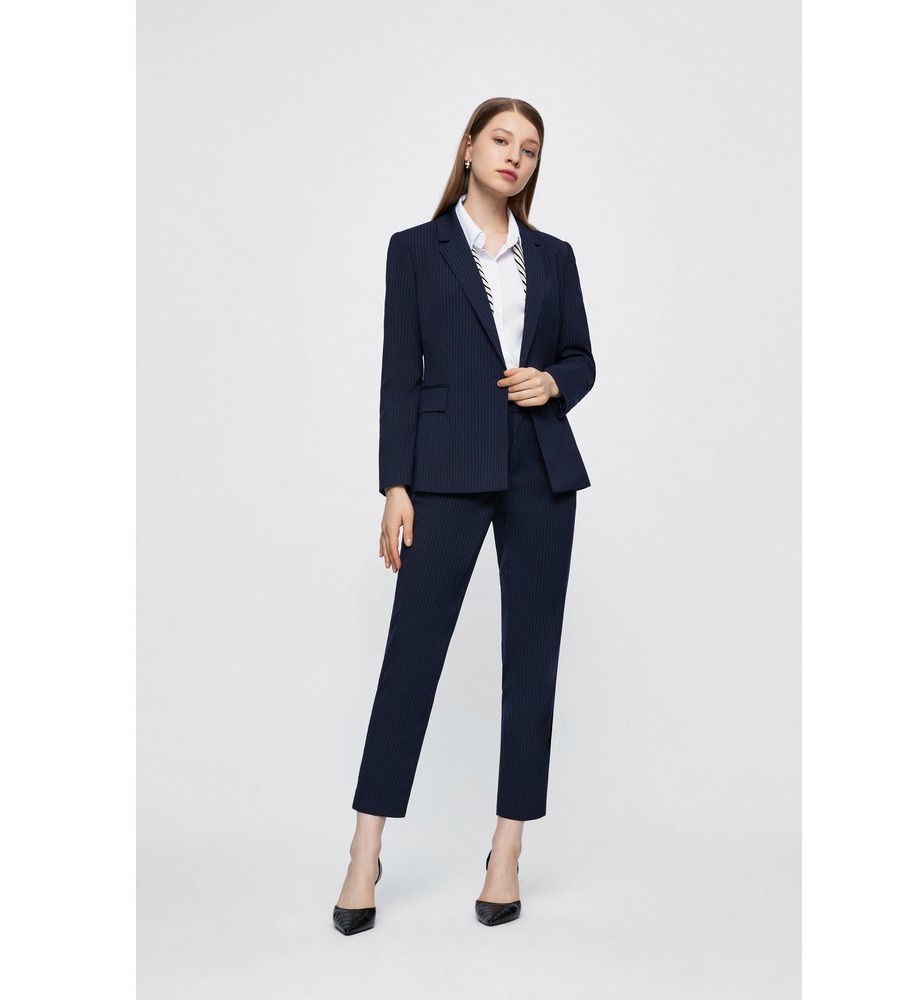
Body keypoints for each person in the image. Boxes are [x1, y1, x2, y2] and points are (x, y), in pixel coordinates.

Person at [333, 97, 595, 934]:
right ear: (470, 147)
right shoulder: (415, 250)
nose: (515, 155)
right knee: (412, 656)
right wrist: (395, 484)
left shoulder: (553, 258)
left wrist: (553, 382)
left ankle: (507, 850)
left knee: (533, 663)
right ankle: (365, 851)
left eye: (530, 148)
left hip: (539, 468)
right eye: (501, 140)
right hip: (443, 471)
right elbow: (398, 372)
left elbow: (581, 358)